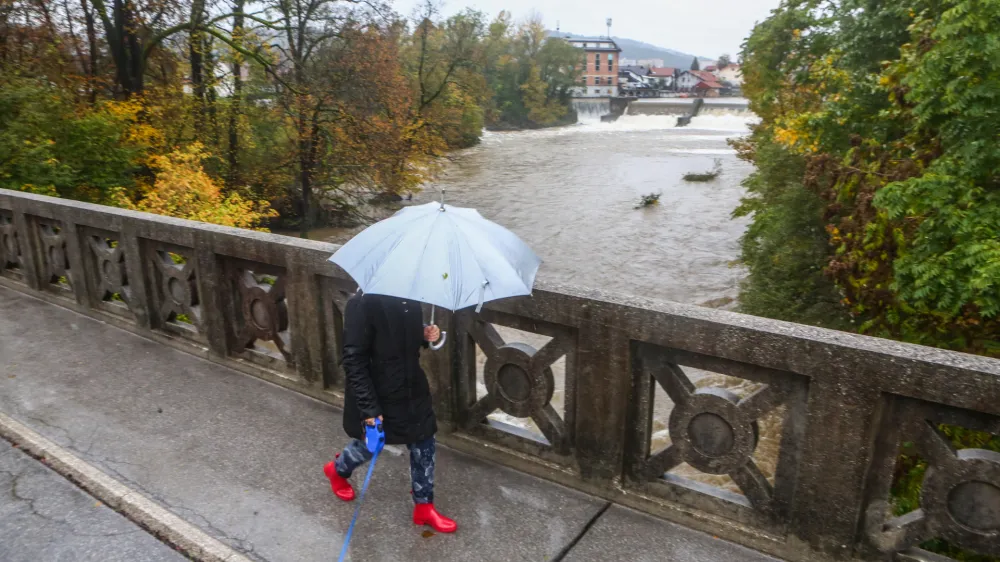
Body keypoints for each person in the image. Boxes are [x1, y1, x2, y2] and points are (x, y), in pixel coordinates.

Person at [323, 291, 457, 533]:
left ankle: (424, 506)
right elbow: (353, 360)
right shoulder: (361, 303)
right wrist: (369, 409)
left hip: (412, 386)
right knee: (371, 444)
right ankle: (338, 469)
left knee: (425, 441)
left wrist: (424, 334)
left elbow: (400, 337)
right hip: (379, 392)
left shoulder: (409, 296)